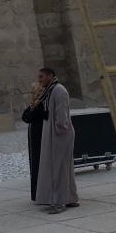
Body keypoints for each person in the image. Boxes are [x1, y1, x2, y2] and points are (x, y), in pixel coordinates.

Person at [34, 68, 79, 215]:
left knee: (58, 168)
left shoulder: (59, 90)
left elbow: (62, 114)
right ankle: (70, 197)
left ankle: (60, 202)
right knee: (63, 167)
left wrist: (60, 131)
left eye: (41, 77)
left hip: (60, 134)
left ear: (50, 76)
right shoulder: (50, 90)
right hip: (53, 133)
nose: (39, 80)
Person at [21, 79, 48, 201]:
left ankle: (42, 193)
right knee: (35, 163)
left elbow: (29, 117)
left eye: (37, 91)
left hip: (41, 135)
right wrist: (32, 106)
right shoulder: (36, 103)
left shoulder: (42, 104)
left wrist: (33, 107)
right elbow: (25, 116)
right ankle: (37, 193)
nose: (35, 93)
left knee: (40, 163)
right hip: (35, 136)